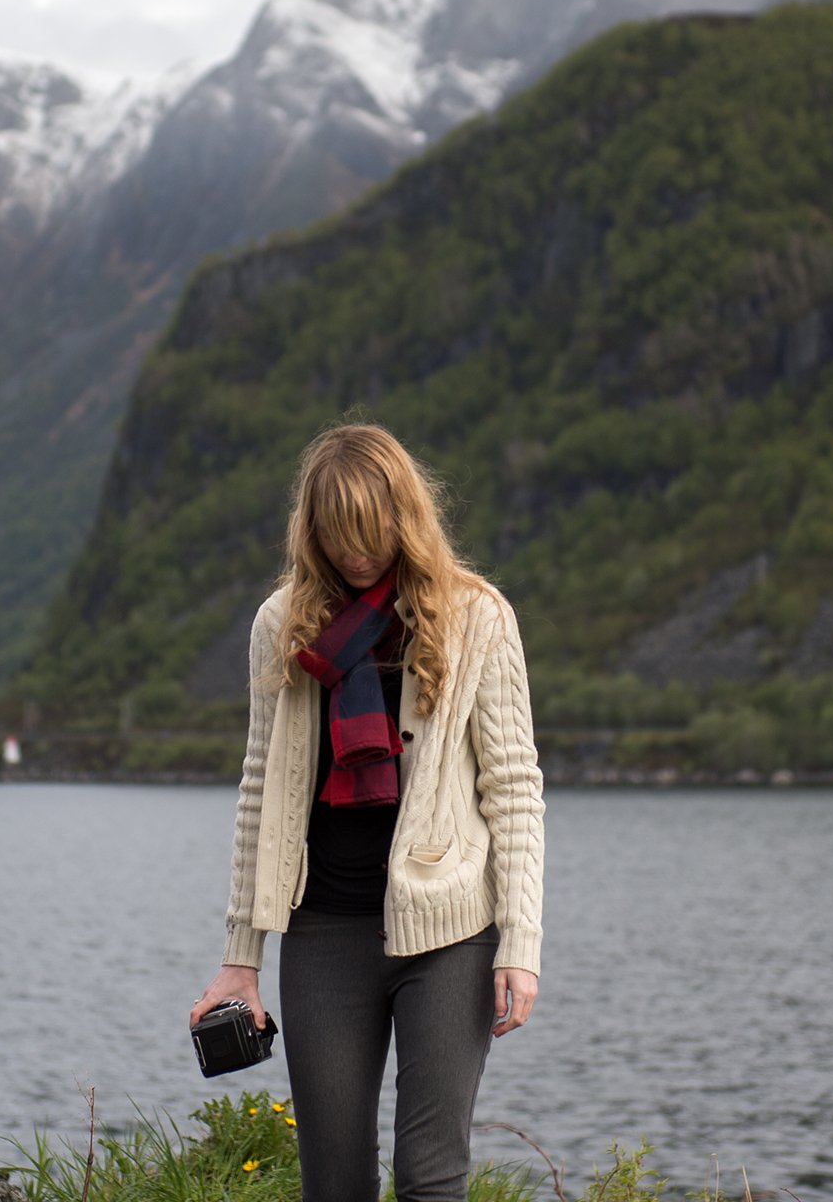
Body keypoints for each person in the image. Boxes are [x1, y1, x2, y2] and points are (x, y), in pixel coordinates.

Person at [189, 422, 545, 1202]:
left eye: (370, 532)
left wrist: (520, 940)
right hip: (322, 932)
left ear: (405, 517)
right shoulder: (281, 627)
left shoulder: (477, 617)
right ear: (311, 530)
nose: (355, 554)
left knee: (430, 1179)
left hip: (450, 932)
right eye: (337, 534)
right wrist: (240, 956)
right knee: (336, 1183)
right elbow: (261, 793)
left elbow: (514, 786)